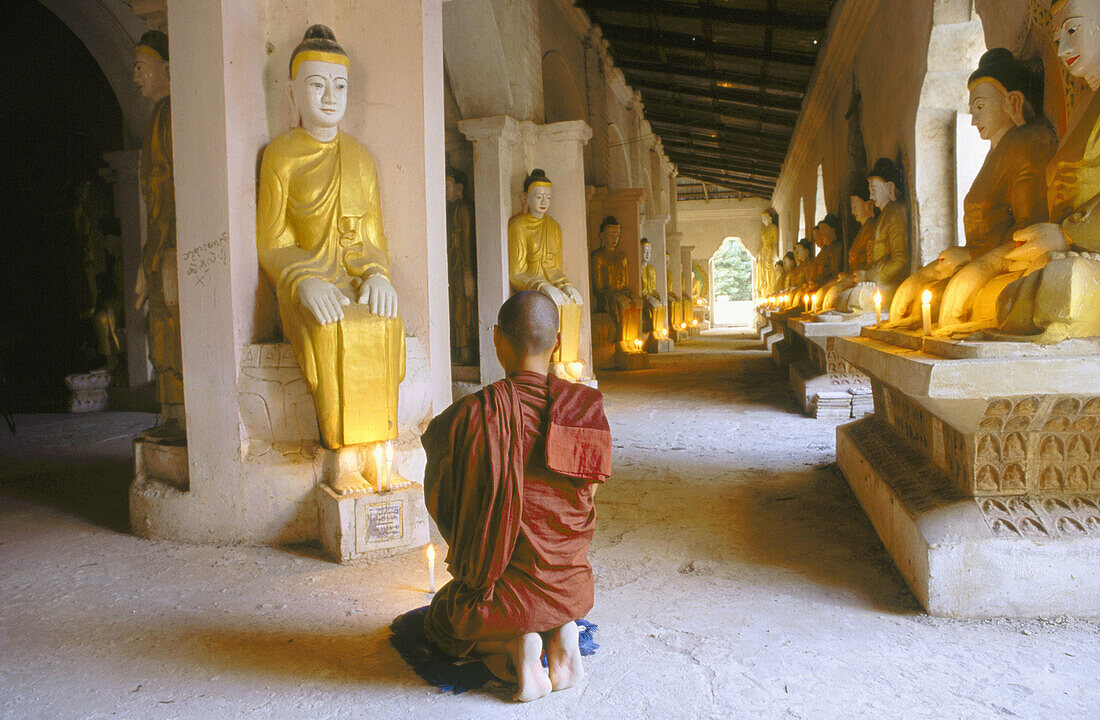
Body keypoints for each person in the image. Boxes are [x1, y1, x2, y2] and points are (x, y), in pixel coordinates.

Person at [421, 291, 612, 702]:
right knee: (548, 603)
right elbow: (588, 497)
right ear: (558, 342)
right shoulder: (585, 409)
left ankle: (514, 646)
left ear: (496, 339)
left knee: (441, 618)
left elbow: (442, 501)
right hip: (571, 589)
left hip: (502, 597)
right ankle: (561, 632)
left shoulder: (471, 415)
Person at [257, 25, 405, 494]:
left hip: (355, 279)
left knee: (387, 322)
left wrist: (379, 274)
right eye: (316, 85)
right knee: (331, 328)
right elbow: (272, 241)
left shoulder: (361, 158)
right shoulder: (280, 156)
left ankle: (379, 452)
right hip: (308, 284)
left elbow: (374, 237)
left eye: (339, 86)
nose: (328, 97)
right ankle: (342, 456)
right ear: (292, 92)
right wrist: (303, 280)